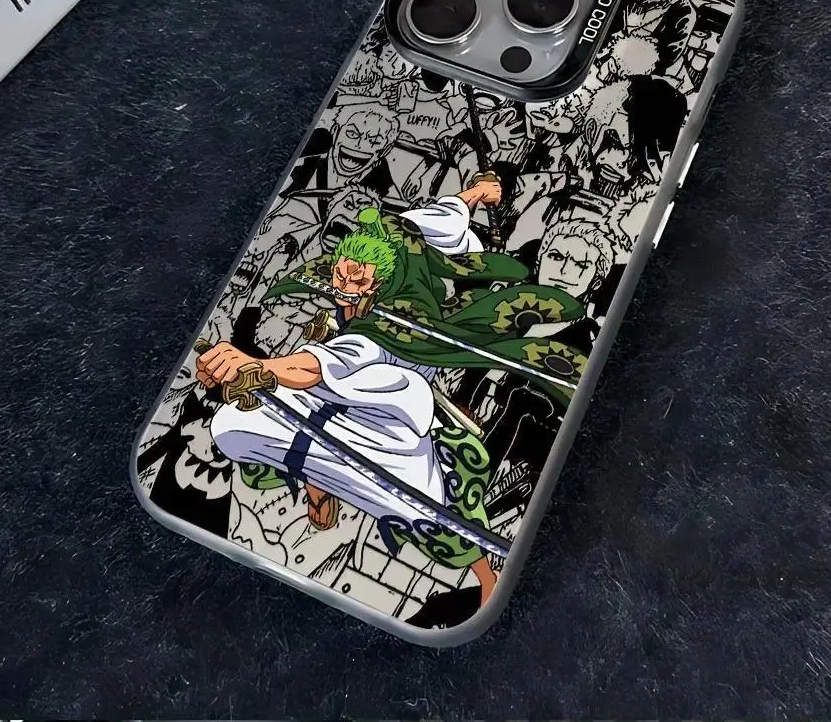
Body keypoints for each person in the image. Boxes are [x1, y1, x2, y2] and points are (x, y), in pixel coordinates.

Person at [196, 176, 589, 606]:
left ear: (381, 283)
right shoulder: (399, 238)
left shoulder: (393, 324)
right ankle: (314, 481)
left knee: (431, 507)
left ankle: (486, 575)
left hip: (387, 427)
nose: (344, 289)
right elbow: (445, 212)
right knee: (231, 424)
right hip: (327, 407)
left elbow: (318, 366)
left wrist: (259, 366)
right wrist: (477, 193)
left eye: (357, 282)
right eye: (341, 275)